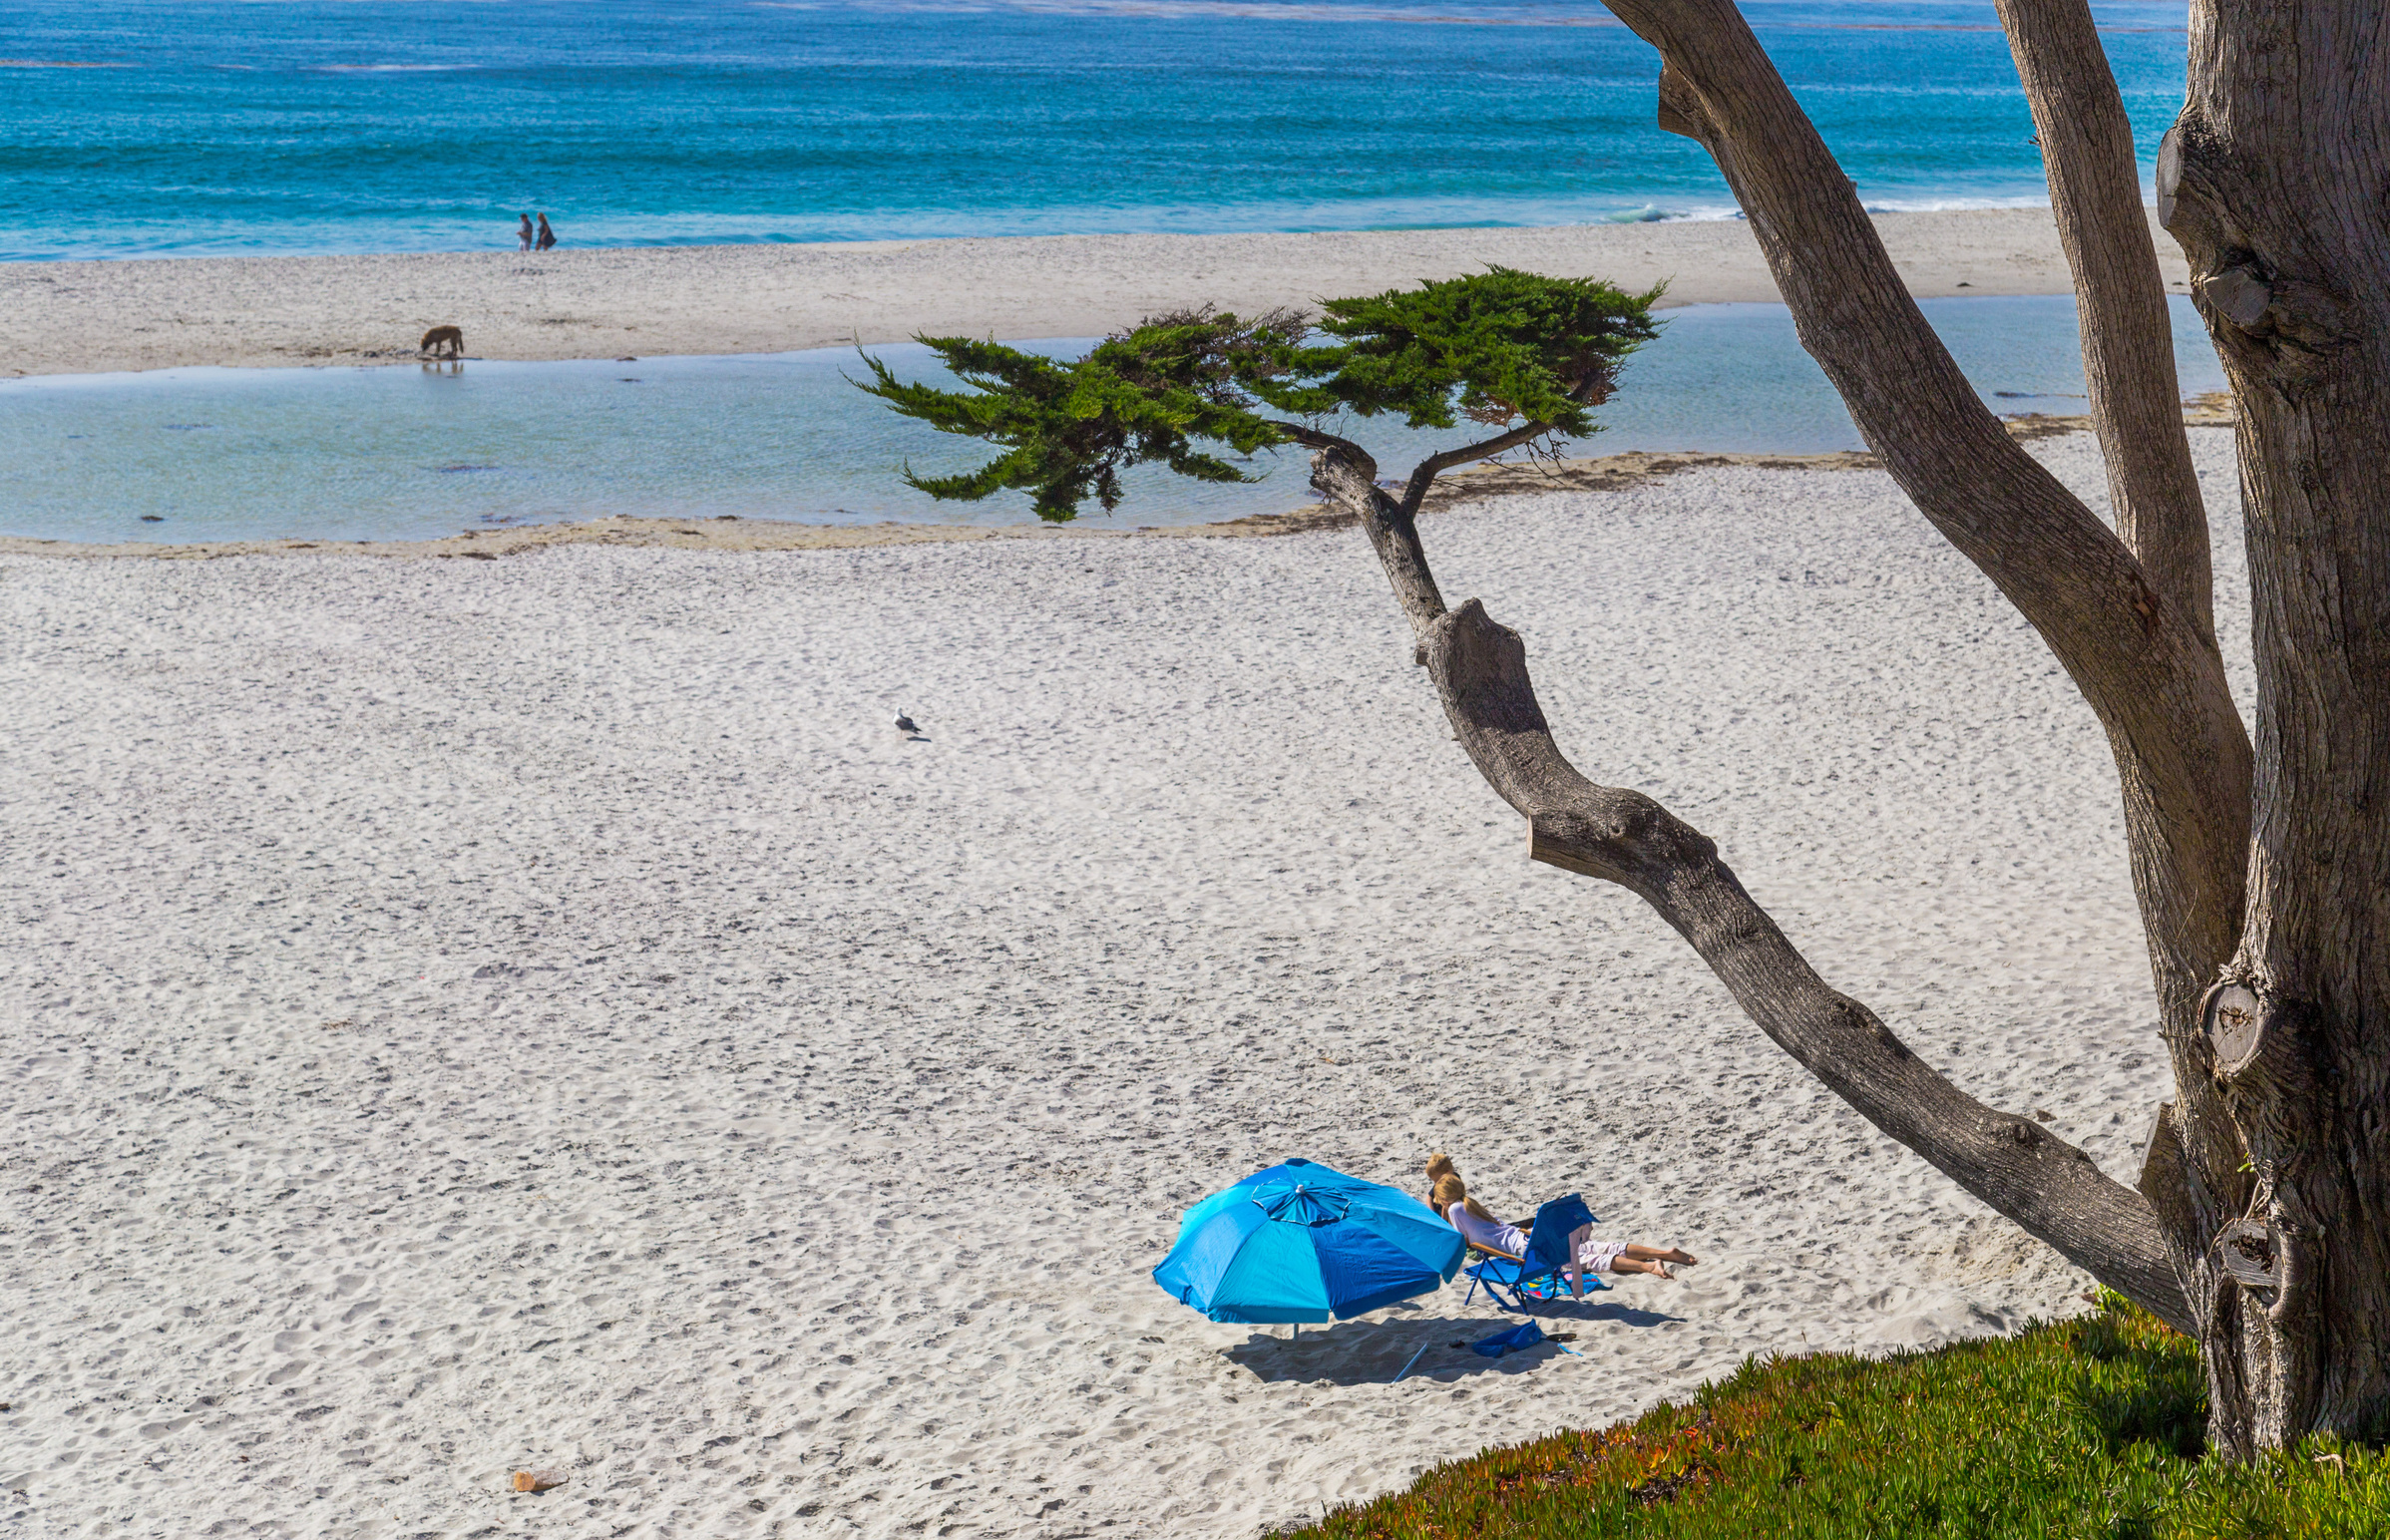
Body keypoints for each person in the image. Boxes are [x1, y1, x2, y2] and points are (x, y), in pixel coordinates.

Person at [1429, 1168, 1697, 1295]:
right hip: (1525, 1235)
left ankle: (1650, 1268)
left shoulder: (1454, 1211)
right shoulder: (1471, 1205)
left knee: (1587, 1260)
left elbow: (1462, 1242)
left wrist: (1442, 1210)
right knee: (1597, 1246)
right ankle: (1664, 1252)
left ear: (1444, 1198)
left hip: (1526, 1250)